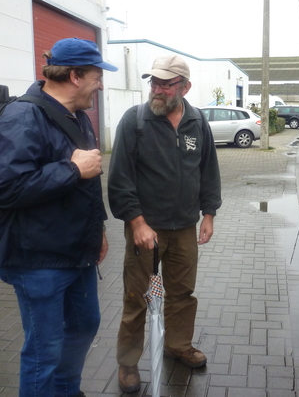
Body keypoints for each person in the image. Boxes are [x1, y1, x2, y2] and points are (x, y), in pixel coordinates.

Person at [0, 37, 118, 397]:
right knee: (44, 351)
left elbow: (89, 183)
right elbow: (5, 188)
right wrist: (72, 170)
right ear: (75, 75)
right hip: (37, 259)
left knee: (85, 325)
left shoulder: (78, 117)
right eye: (96, 76)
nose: (101, 84)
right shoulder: (22, 116)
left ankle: (65, 390)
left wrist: (99, 231)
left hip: (78, 252)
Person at [108, 55, 222, 393]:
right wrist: (137, 222)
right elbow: (120, 180)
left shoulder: (197, 122)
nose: (156, 89)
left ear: (184, 88)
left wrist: (209, 214)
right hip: (146, 229)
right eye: (153, 82)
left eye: (165, 84)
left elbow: (208, 171)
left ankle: (178, 344)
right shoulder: (135, 121)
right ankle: (128, 363)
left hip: (185, 227)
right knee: (137, 296)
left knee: (182, 293)